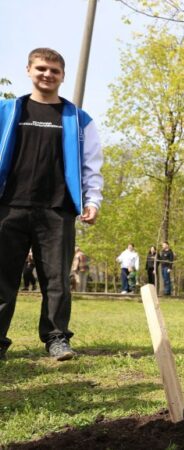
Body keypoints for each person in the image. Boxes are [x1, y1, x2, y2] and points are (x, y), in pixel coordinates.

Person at [0, 48, 103, 362]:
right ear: (29, 69)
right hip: (9, 207)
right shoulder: (7, 111)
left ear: (62, 75)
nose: (47, 75)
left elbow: (91, 165)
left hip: (57, 209)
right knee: (2, 277)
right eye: (41, 68)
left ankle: (57, 339)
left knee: (57, 279)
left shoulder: (77, 119)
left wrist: (93, 200)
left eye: (54, 70)